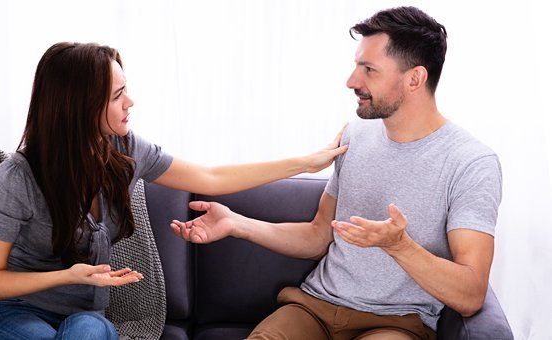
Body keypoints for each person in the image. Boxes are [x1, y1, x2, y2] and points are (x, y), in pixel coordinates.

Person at [0, 42, 348, 340]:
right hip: (17, 312)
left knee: (87, 331)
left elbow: (211, 177)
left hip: (85, 318)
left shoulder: (125, 149)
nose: (130, 102)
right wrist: (69, 276)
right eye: (118, 94)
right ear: (80, 107)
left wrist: (306, 162)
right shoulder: (20, 176)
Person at [171, 6, 502, 340]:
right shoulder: (356, 135)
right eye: (357, 65)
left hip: (396, 323)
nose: (351, 81)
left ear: (414, 79)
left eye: (369, 69)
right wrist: (237, 224)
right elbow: (318, 236)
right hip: (314, 307)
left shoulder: (471, 163)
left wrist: (398, 245)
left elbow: (471, 295)